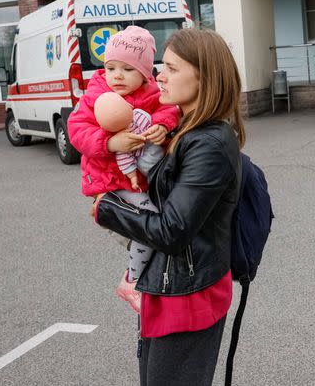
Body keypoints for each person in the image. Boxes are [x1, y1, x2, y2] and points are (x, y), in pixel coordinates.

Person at [92, 29, 244, 386]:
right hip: (170, 284)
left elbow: (173, 230)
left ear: (204, 76)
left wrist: (108, 209)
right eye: (162, 65)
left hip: (189, 295)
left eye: (172, 68)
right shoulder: (185, 129)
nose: (159, 74)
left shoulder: (209, 143)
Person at [67, 26, 179, 291]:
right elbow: (77, 130)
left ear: (144, 73)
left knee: (151, 225)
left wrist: (162, 125)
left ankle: (142, 275)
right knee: (152, 223)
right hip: (112, 181)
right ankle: (131, 281)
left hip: (141, 178)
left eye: (128, 69)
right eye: (111, 67)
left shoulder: (152, 94)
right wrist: (108, 143)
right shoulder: (95, 96)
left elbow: (170, 110)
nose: (117, 75)